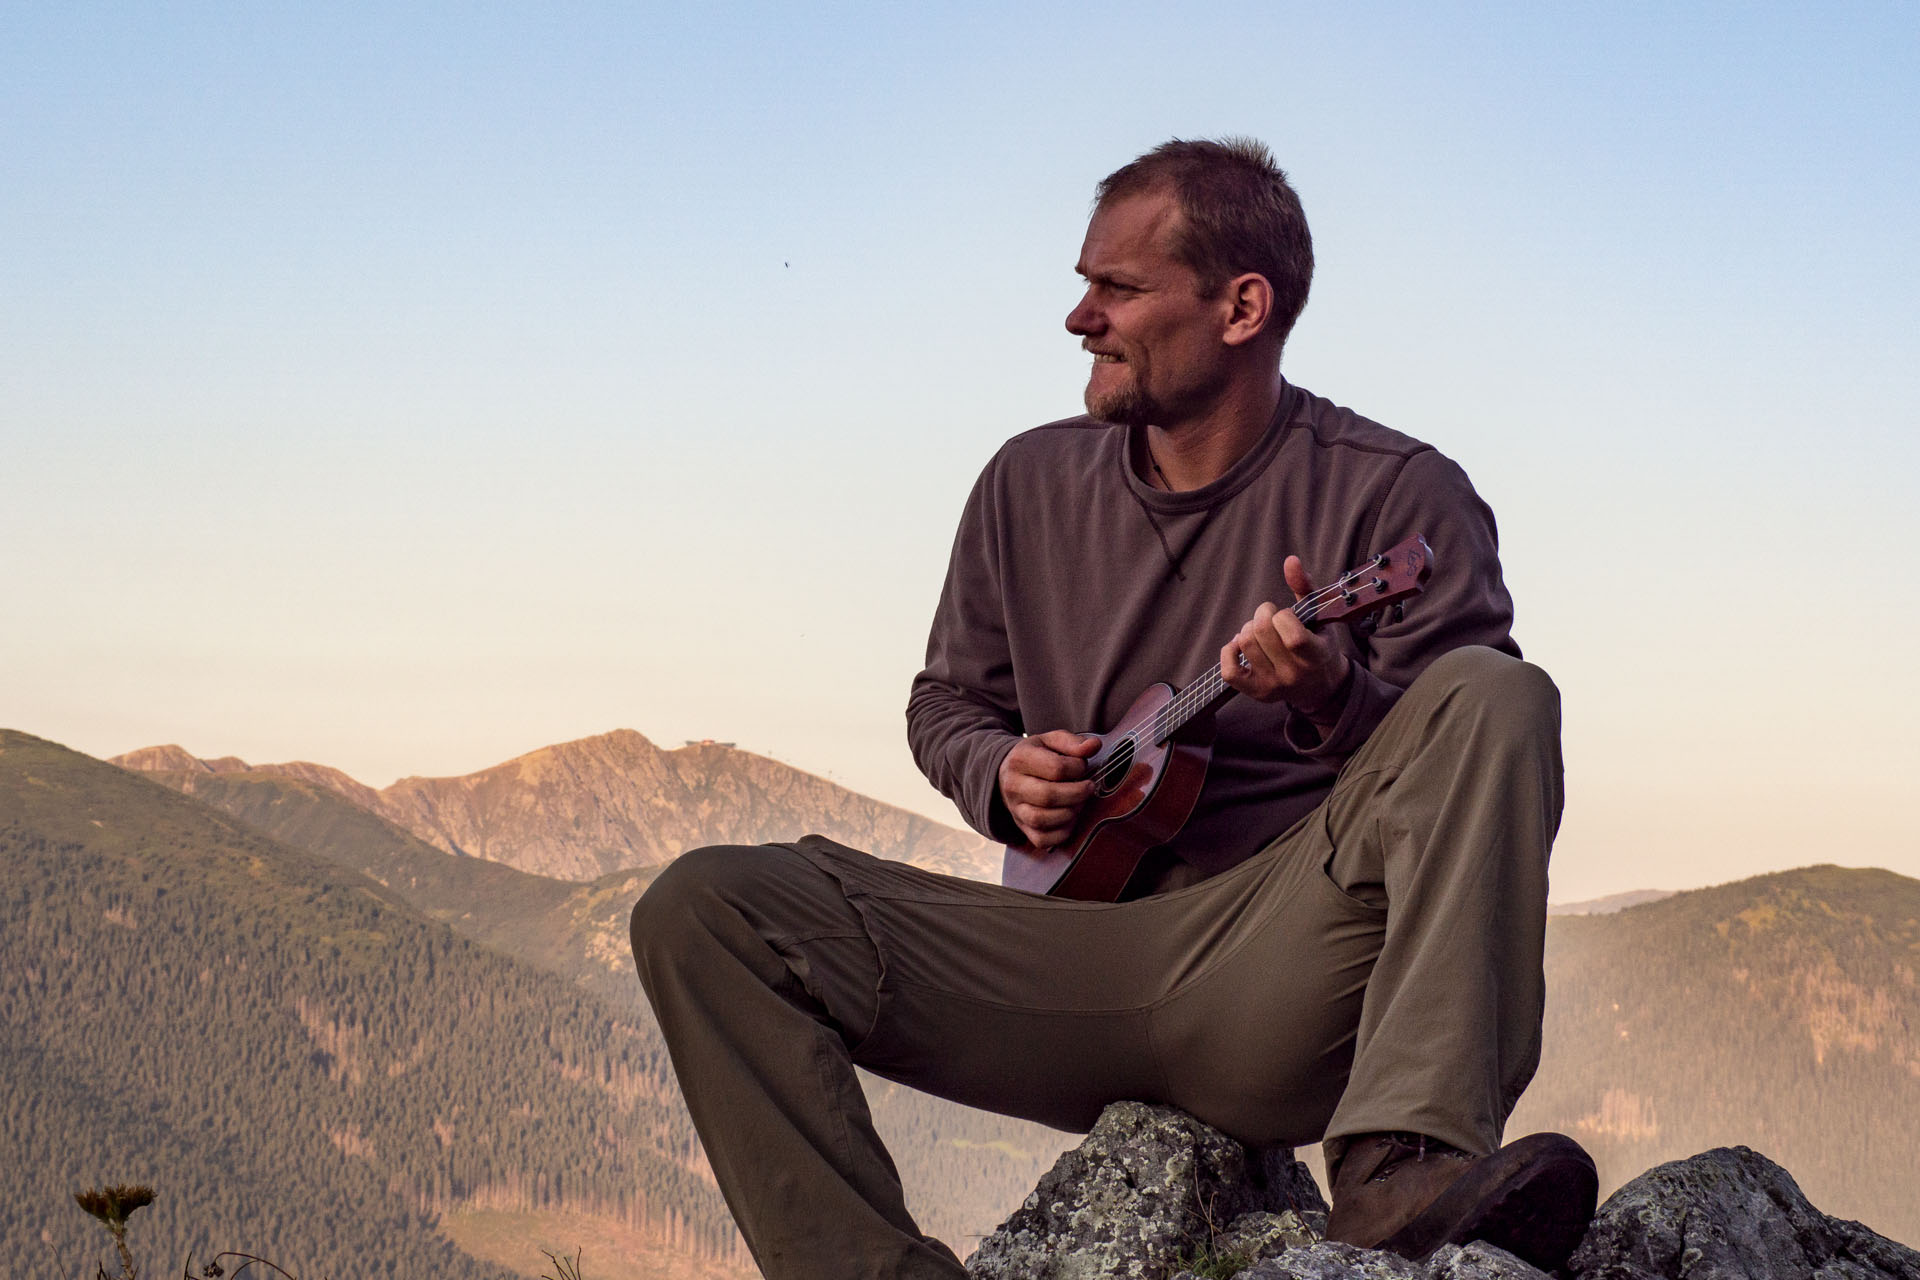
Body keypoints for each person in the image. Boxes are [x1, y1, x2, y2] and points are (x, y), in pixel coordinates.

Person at [630, 137, 1595, 1280]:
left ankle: (1402, 1166)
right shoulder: (1026, 482)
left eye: (1119, 288)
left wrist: (1335, 698)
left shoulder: (1395, 492)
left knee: (1500, 692)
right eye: (1086, 282)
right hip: (1059, 950)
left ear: (1242, 307)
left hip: (1283, 968)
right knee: (708, 907)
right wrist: (998, 771)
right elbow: (947, 698)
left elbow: (1469, 764)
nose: (1080, 318)